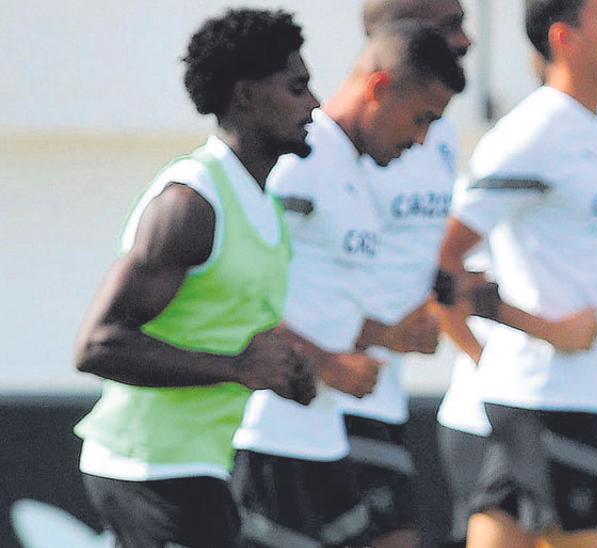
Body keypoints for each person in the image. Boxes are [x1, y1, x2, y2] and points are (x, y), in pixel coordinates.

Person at [71, 8, 320, 547]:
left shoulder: (265, 207)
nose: (315, 104)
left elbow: (229, 335)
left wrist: (282, 373)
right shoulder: (191, 203)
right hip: (145, 468)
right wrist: (236, 368)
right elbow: (97, 345)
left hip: (197, 466)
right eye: (297, 88)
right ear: (247, 95)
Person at [230, 22, 465, 548]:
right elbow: (238, 295)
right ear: (380, 88)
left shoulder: (356, 169)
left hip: (329, 428)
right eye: (420, 118)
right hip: (273, 432)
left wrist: (386, 334)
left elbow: (317, 297)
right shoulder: (298, 163)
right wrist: (329, 363)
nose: (423, 138)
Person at [433, 1, 597, 546]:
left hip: (580, 395)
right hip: (534, 398)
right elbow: (440, 266)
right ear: (564, 38)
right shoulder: (527, 135)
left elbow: (579, 258)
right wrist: (546, 329)